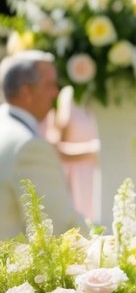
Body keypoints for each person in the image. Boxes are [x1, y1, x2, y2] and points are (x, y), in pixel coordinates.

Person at [0, 51, 79, 237]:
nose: (56, 92)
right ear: (26, 92)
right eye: (50, 85)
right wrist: (111, 242)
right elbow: (58, 227)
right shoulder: (30, 147)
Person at [44, 85, 100, 221]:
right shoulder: (69, 96)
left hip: (98, 173)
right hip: (77, 176)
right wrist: (91, 151)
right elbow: (56, 149)